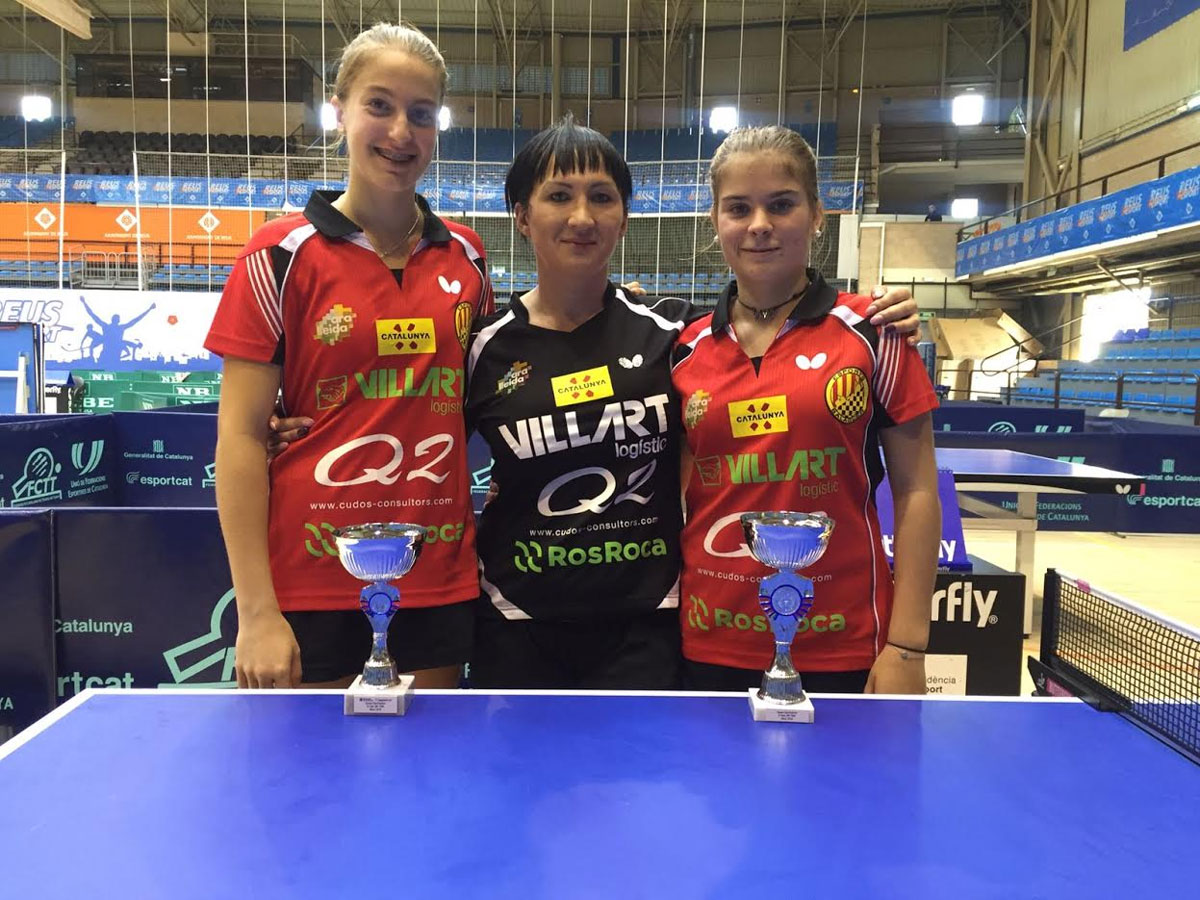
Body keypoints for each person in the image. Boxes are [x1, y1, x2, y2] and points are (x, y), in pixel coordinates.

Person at [269, 118, 924, 690]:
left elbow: (764, 376)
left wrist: (878, 313)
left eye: (602, 197)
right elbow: (410, 420)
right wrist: (287, 426)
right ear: (522, 216)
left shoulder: (676, 337)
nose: (581, 217)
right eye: (558, 196)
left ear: (624, 217)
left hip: (648, 629)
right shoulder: (483, 347)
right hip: (514, 624)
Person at [205, 23, 493, 690]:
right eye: (379, 105)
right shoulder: (277, 255)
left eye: (421, 113)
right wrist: (257, 613)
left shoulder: (468, 258)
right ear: (339, 111)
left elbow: (474, 403)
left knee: (430, 757)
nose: (400, 132)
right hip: (311, 580)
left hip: (435, 574)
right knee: (312, 763)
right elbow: (240, 437)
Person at [672, 125, 941, 695]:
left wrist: (908, 645)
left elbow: (917, 489)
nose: (759, 224)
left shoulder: (875, 332)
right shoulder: (686, 347)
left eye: (781, 204)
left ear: (817, 214)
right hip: (709, 636)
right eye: (738, 208)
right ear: (715, 220)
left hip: (844, 641)